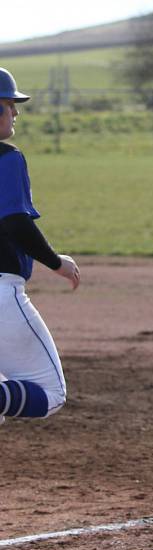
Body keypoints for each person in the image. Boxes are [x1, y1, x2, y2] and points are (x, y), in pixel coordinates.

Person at [0, 68, 79, 427]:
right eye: (7, 104)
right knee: (49, 394)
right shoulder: (7, 158)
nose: (15, 112)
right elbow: (15, 222)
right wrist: (55, 262)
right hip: (1, 291)